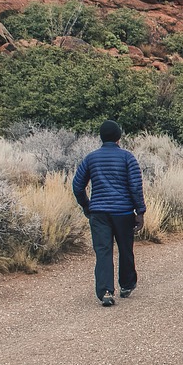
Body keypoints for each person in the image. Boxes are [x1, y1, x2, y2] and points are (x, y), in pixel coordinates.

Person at [72, 119, 146, 307]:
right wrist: (140, 211)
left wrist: (87, 205)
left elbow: (77, 185)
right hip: (122, 211)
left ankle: (105, 291)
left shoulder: (91, 158)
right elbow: (135, 186)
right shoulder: (127, 157)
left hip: (99, 212)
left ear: (101, 137)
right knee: (125, 248)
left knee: (103, 251)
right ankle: (127, 284)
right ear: (119, 137)